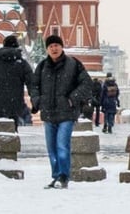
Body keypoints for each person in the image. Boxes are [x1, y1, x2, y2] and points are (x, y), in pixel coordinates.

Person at [32, 34, 92, 189]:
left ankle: (64, 177)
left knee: (62, 146)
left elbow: (86, 83)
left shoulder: (73, 64)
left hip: (67, 113)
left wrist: (73, 98)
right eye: (51, 46)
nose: (54, 48)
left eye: (56, 45)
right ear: (47, 49)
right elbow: (34, 86)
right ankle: (56, 176)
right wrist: (37, 100)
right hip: (49, 113)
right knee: (51, 148)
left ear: (61, 47)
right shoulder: (42, 66)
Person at [0, 35, 34, 131]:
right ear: (17, 46)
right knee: (13, 128)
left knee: (0, 130)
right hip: (16, 102)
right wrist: (34, 101)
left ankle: (1, 144)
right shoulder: (21, 63)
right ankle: (12, 143)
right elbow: (31, 83)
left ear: (4, 45)